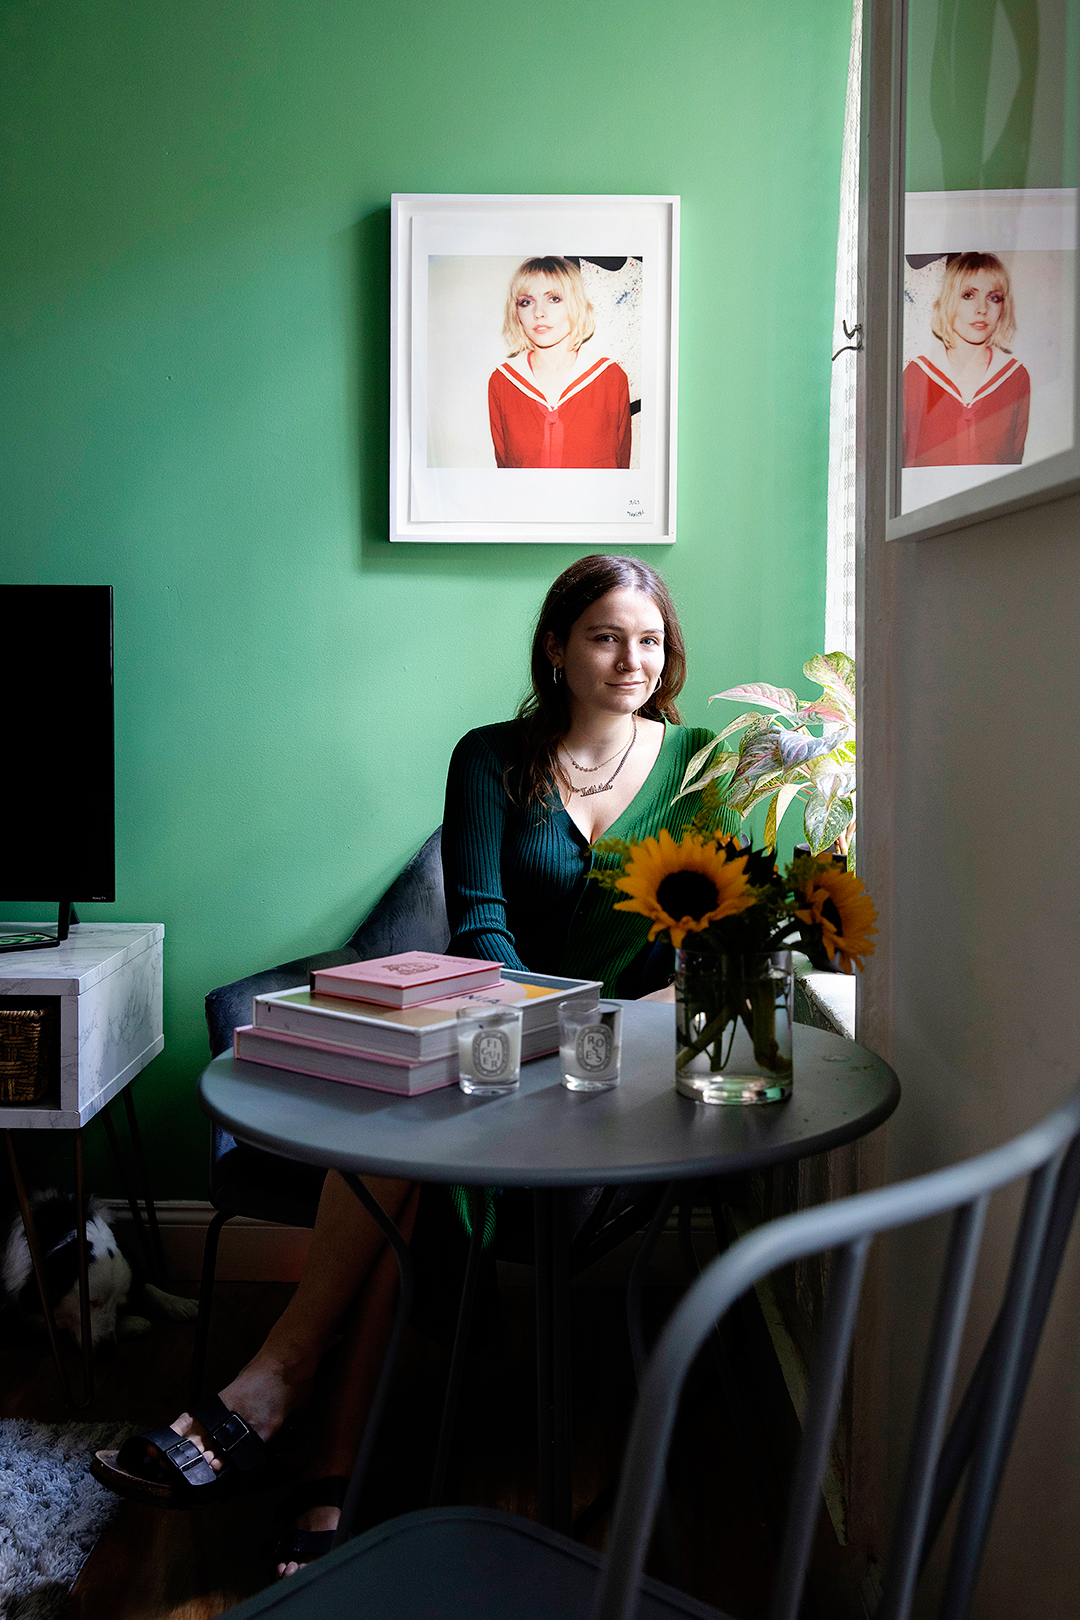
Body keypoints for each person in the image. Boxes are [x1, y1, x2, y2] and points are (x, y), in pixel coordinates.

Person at [92, 554, 726, 1575]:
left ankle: (282, 1415)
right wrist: (536, 1030)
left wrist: (609, 1032)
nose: (631, 659)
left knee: (403, 1143)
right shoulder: (491, 758)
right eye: (606, 636)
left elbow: (711, 951)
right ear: (557, 649)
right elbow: (478, 926)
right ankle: (313, 1456)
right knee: (413, 1133)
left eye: (649, 639)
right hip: (497, 1037)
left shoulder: (705, 765)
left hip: (619, 1069)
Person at [488, 257, 632, 469]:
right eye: (526, 302)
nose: (538, 313)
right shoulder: (502, 383)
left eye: (554, 298)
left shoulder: (611, 378)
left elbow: (620, 470)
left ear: (575, 304)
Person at [903, 251, 1030, 467]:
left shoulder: (1015, 378)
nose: (982, 309)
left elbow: (1013, 462)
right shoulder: (916, 376)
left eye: (993, 298)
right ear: (949, 300)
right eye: (968, 295)